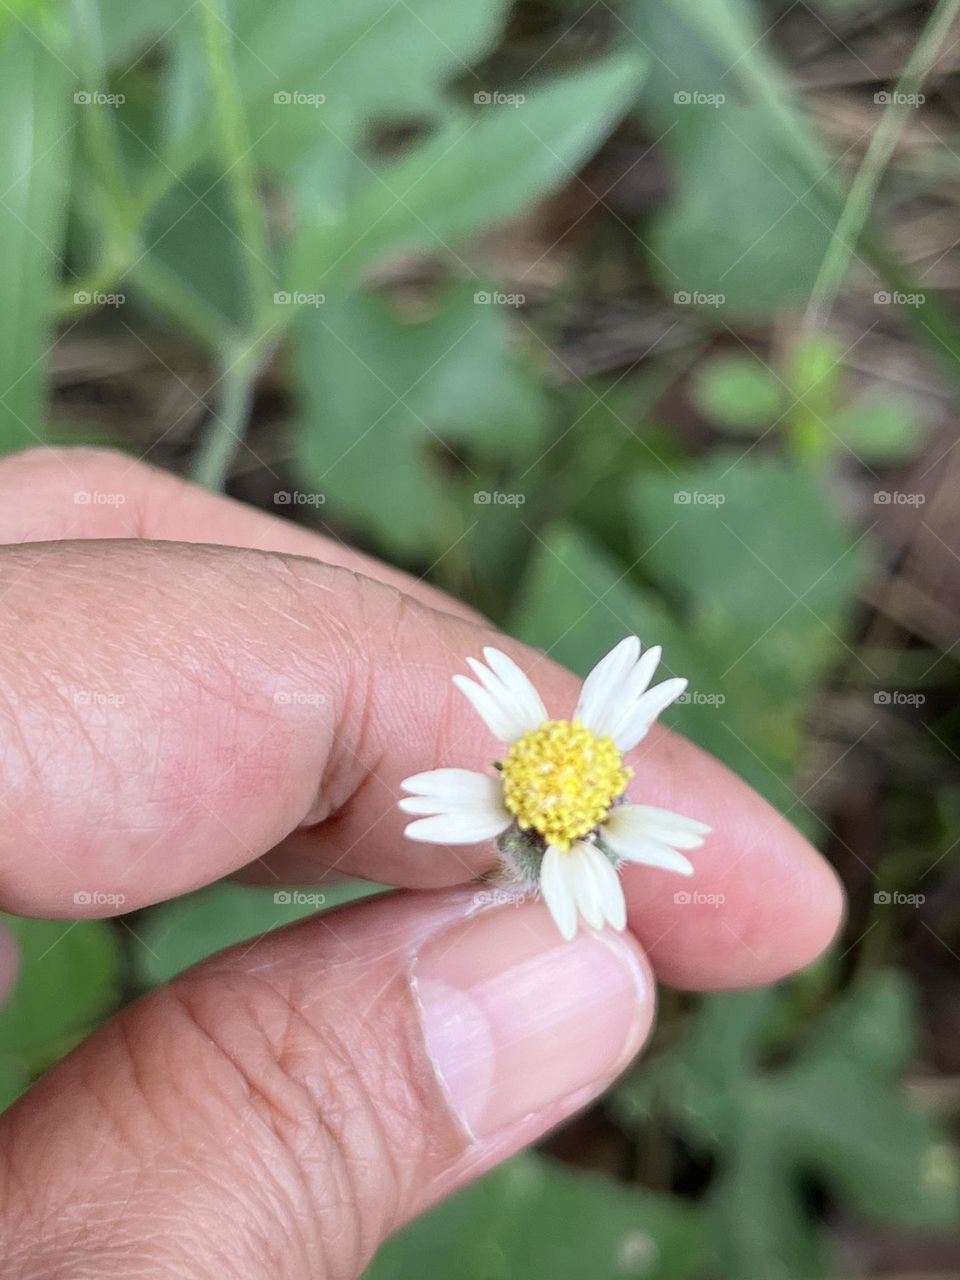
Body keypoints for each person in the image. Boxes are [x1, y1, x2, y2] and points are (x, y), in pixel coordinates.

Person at [0, 447, 843, 1279]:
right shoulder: (518, 781)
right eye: (548, 764)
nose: (560, 766)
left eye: (578, 768)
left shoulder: (574, 805)